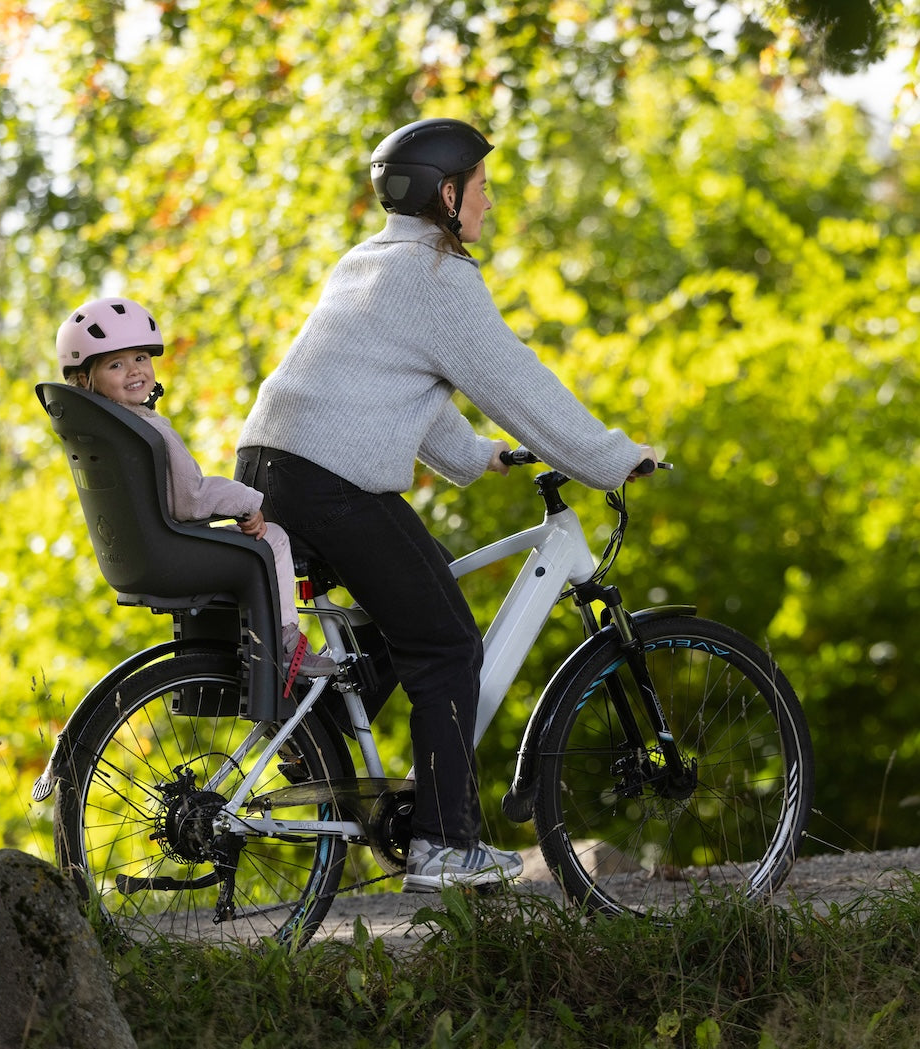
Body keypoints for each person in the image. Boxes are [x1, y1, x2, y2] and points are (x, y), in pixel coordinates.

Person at [236, 118, 657, 891]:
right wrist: (608, 457)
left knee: (414, 606)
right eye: (483, 187)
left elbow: (394, 383)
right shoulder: (437, 275)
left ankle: (314, 729)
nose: (491, 203)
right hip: (331, 481)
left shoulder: (370, 262)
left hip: (273, 467)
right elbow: (513, 380)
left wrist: (473, 457)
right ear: (446, 192)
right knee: (449, 645)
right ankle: (443, 845)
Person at [55, 296, 336, 679]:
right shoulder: (148, 431)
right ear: (87, 379)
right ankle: (285, 647)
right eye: (115, 364)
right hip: (170, 551)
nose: (134, 371)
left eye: (140, 358)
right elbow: (191, 498)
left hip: (134, 559)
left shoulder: (108, 430)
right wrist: (248, 503)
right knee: (274, 540)